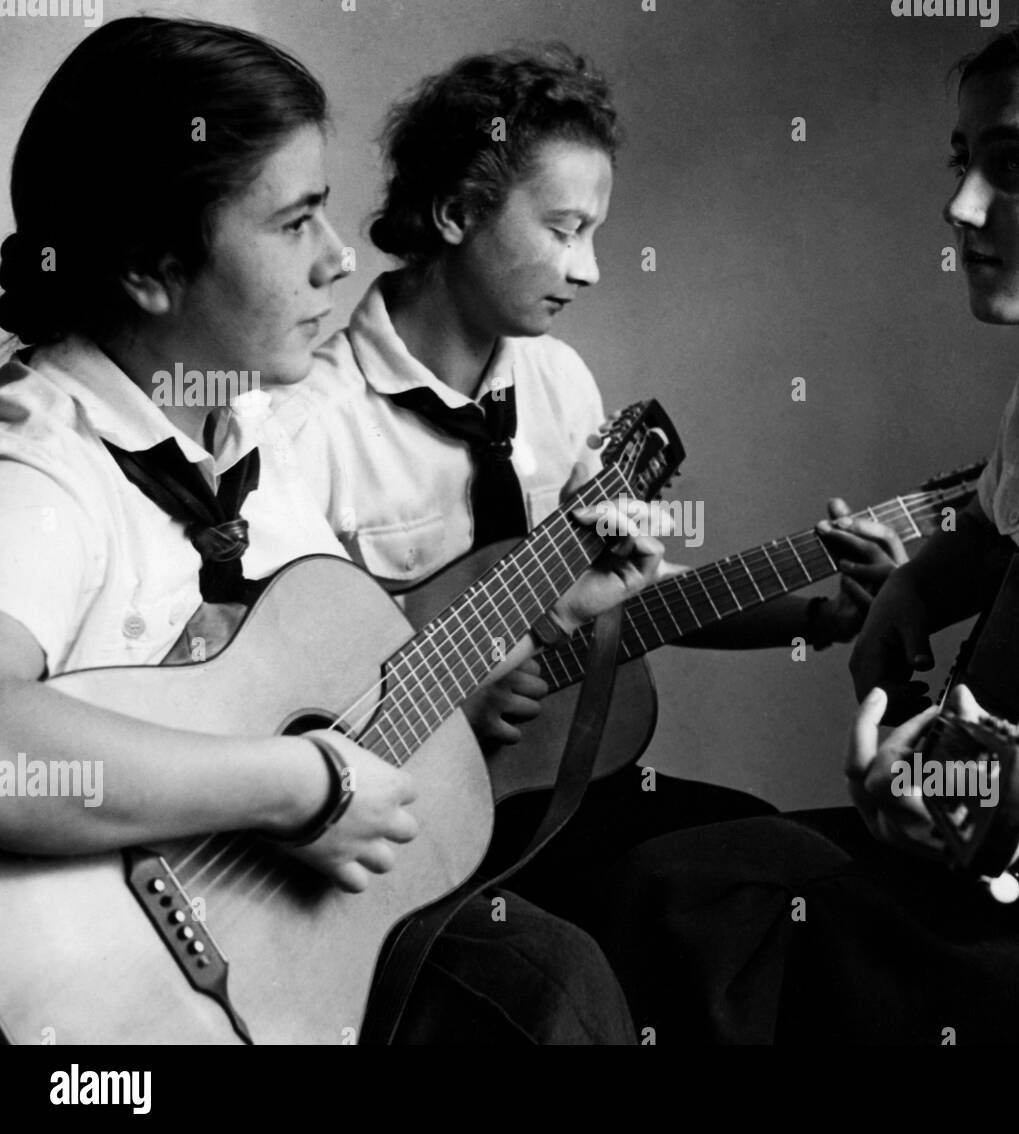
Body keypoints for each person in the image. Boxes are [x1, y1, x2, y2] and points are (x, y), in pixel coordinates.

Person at [589, 11, 1019, 1043]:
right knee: (674, 889)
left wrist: (1011, 848)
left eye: (1011, 167)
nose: (958, 204)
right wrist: (914, 602)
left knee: (784, 964)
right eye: (962, 159)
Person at [0, 16, 667, 1045]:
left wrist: (540, 616)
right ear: (151, 266)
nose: (338, 256)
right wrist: (300, 784)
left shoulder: (250, 436)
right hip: (101, 1000)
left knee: (564, 964)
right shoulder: (45, 462)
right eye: (294, 220)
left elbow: (326, 689)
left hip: (276, 950)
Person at [272, 45, 907, 930]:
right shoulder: (307, 425)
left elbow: (615, 596)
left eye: (597, 233)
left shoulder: (557, 379)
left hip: (563, 787)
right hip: (404, 834)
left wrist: (818, 617)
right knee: (713, 903)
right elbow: (288, 693)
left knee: (786, 864)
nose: (591, 268)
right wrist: (451, 698)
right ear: (457, 212)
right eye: (566, 230)